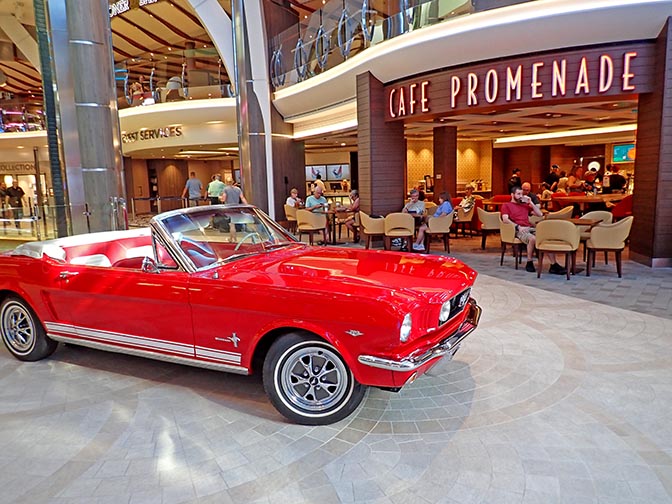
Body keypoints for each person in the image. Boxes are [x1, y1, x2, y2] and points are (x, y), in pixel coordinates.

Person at [501, 186, 566, 274]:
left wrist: (530, 202)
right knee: (532, 239)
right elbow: (505, 219)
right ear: (512, 195)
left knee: (545, 237)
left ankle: (553, 265)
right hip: (518, 229)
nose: (521, 196)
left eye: (521, 194)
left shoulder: (525, 206)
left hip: (529, 227)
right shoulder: (506, 205)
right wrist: (518, 227)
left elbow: (540, 214)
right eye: (518, 194)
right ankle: (529, 262)